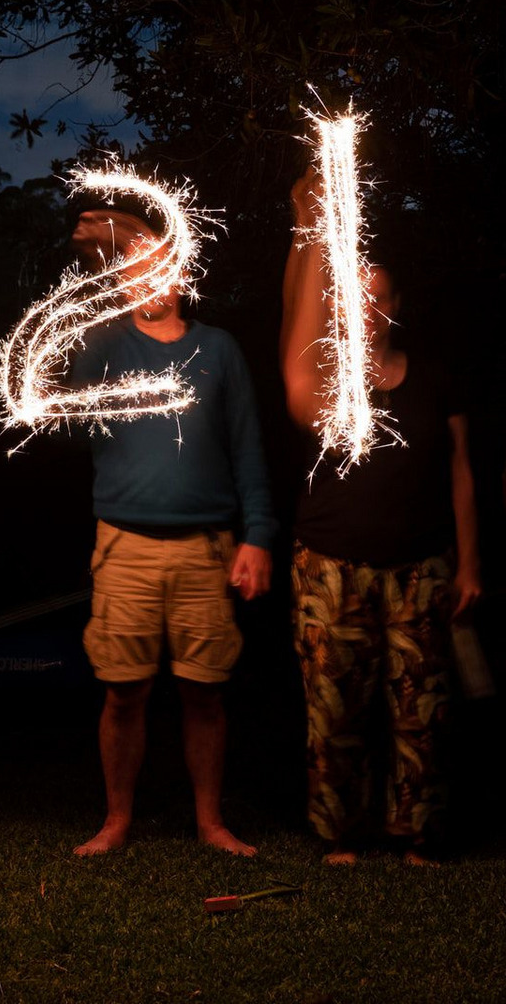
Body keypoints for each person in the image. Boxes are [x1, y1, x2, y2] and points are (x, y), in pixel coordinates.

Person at [280, 170, 480, 865]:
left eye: (379, 297)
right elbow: (291, 315)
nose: (367, 308)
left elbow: (461, 470)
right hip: (331, 563)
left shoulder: (433, 377)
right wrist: (307, 222)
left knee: (422, 711)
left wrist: (469, 561)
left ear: (397, 306)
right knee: (334, 710)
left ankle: (416, 832)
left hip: (420, 566)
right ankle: (342, 832)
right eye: (355, 297)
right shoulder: (325, 378)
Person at [70, 207, 275, 857]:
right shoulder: (103, 344)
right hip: (124, 544)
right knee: (123, 693)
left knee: (204, 693)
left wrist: (259, 535)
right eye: (135, 269)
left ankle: (210, 821)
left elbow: (248, 449)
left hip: (204, 547)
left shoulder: (218, 349)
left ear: (182, 273)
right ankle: (117, 819)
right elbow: (71, 421)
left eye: (160, 266)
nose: (148, 279)